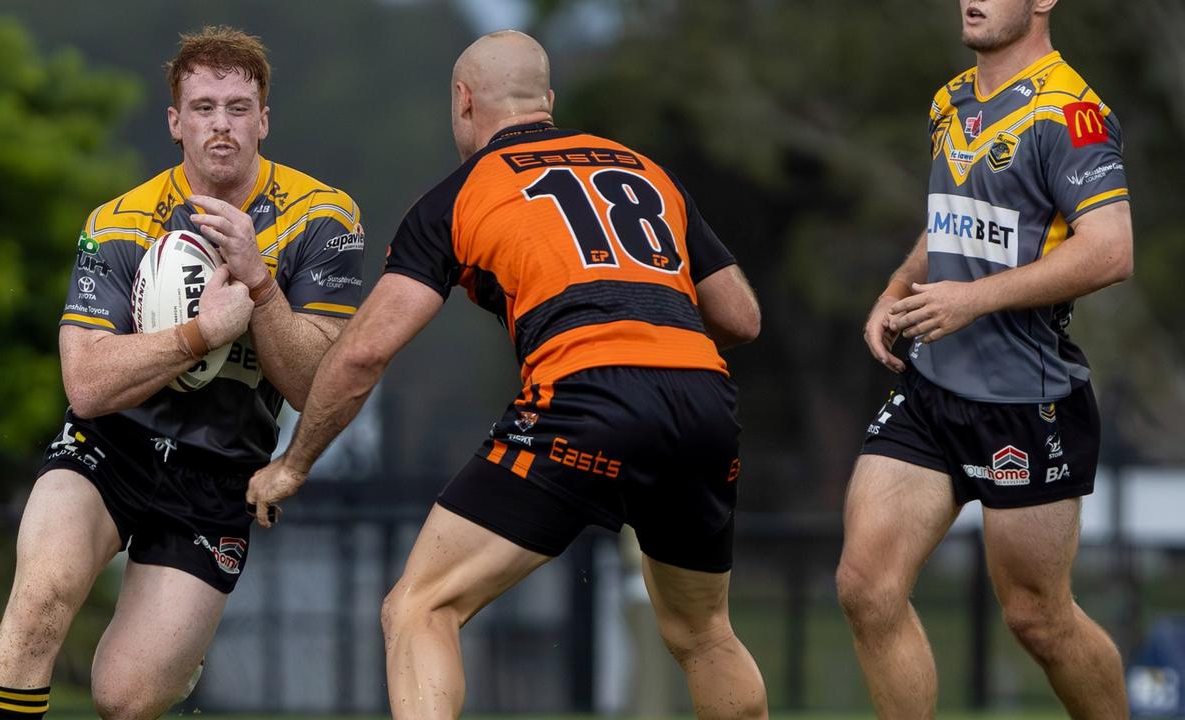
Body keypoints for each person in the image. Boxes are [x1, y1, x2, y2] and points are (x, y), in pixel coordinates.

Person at [248, 29, 767, 720]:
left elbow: (365, 351)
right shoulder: (644, 169)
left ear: (464, 102)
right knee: (703, 634)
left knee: (421, 605)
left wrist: (294, 462)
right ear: (546, 101)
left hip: (584, 396)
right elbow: (740, 316)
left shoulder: (458, 195)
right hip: (702, 397)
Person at [0, 26, 365, 720]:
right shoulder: (118, 222)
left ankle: (174, 654)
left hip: (218, 474)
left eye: (238, 107)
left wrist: (261, 284)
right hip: (108, 448)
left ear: (264, 119)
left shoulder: (322, 218)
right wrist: (198, 335)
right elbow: (86, 385)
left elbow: (312, 386)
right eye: (203, 107)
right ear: (175, 121)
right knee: (41, 600)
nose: (221, 125)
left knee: (126, 694)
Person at [834, 1, 1134, 717]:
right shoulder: (951, 99)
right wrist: (897, 287)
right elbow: (953, 216)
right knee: (865, 587)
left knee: (1037, 618)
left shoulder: (1073, 114)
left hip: (1027, 402)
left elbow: (1111, 250)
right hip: (932, 388)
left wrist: (973, 301)